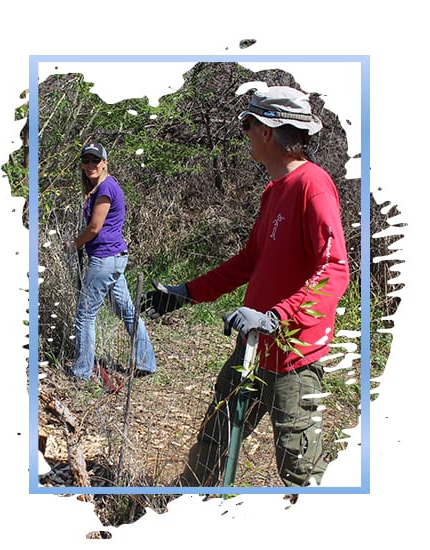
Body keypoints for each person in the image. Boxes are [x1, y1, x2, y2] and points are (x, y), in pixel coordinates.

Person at [140, 86, 350, 488]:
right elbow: (250, 261)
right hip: (252, 346)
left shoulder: (314, 186)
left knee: (300, 471)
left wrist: (276, 317)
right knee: (214, 440)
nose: (246, 134)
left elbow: (335, 269)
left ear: (268, 131)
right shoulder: (275, 190)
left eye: (249, 126)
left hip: (293, 359)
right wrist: (186, 292)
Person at [66, 142, 156, 384]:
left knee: (85, 316)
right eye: (86, 160)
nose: (90, 165)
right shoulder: (102, 187)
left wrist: (74, 244)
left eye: (95, 160)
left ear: (104, 161)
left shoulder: (105, 189)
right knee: (126, 310)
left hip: (105, 259)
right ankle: (147, 363)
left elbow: (94, 228)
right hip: (115, 258)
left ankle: (82, 371)